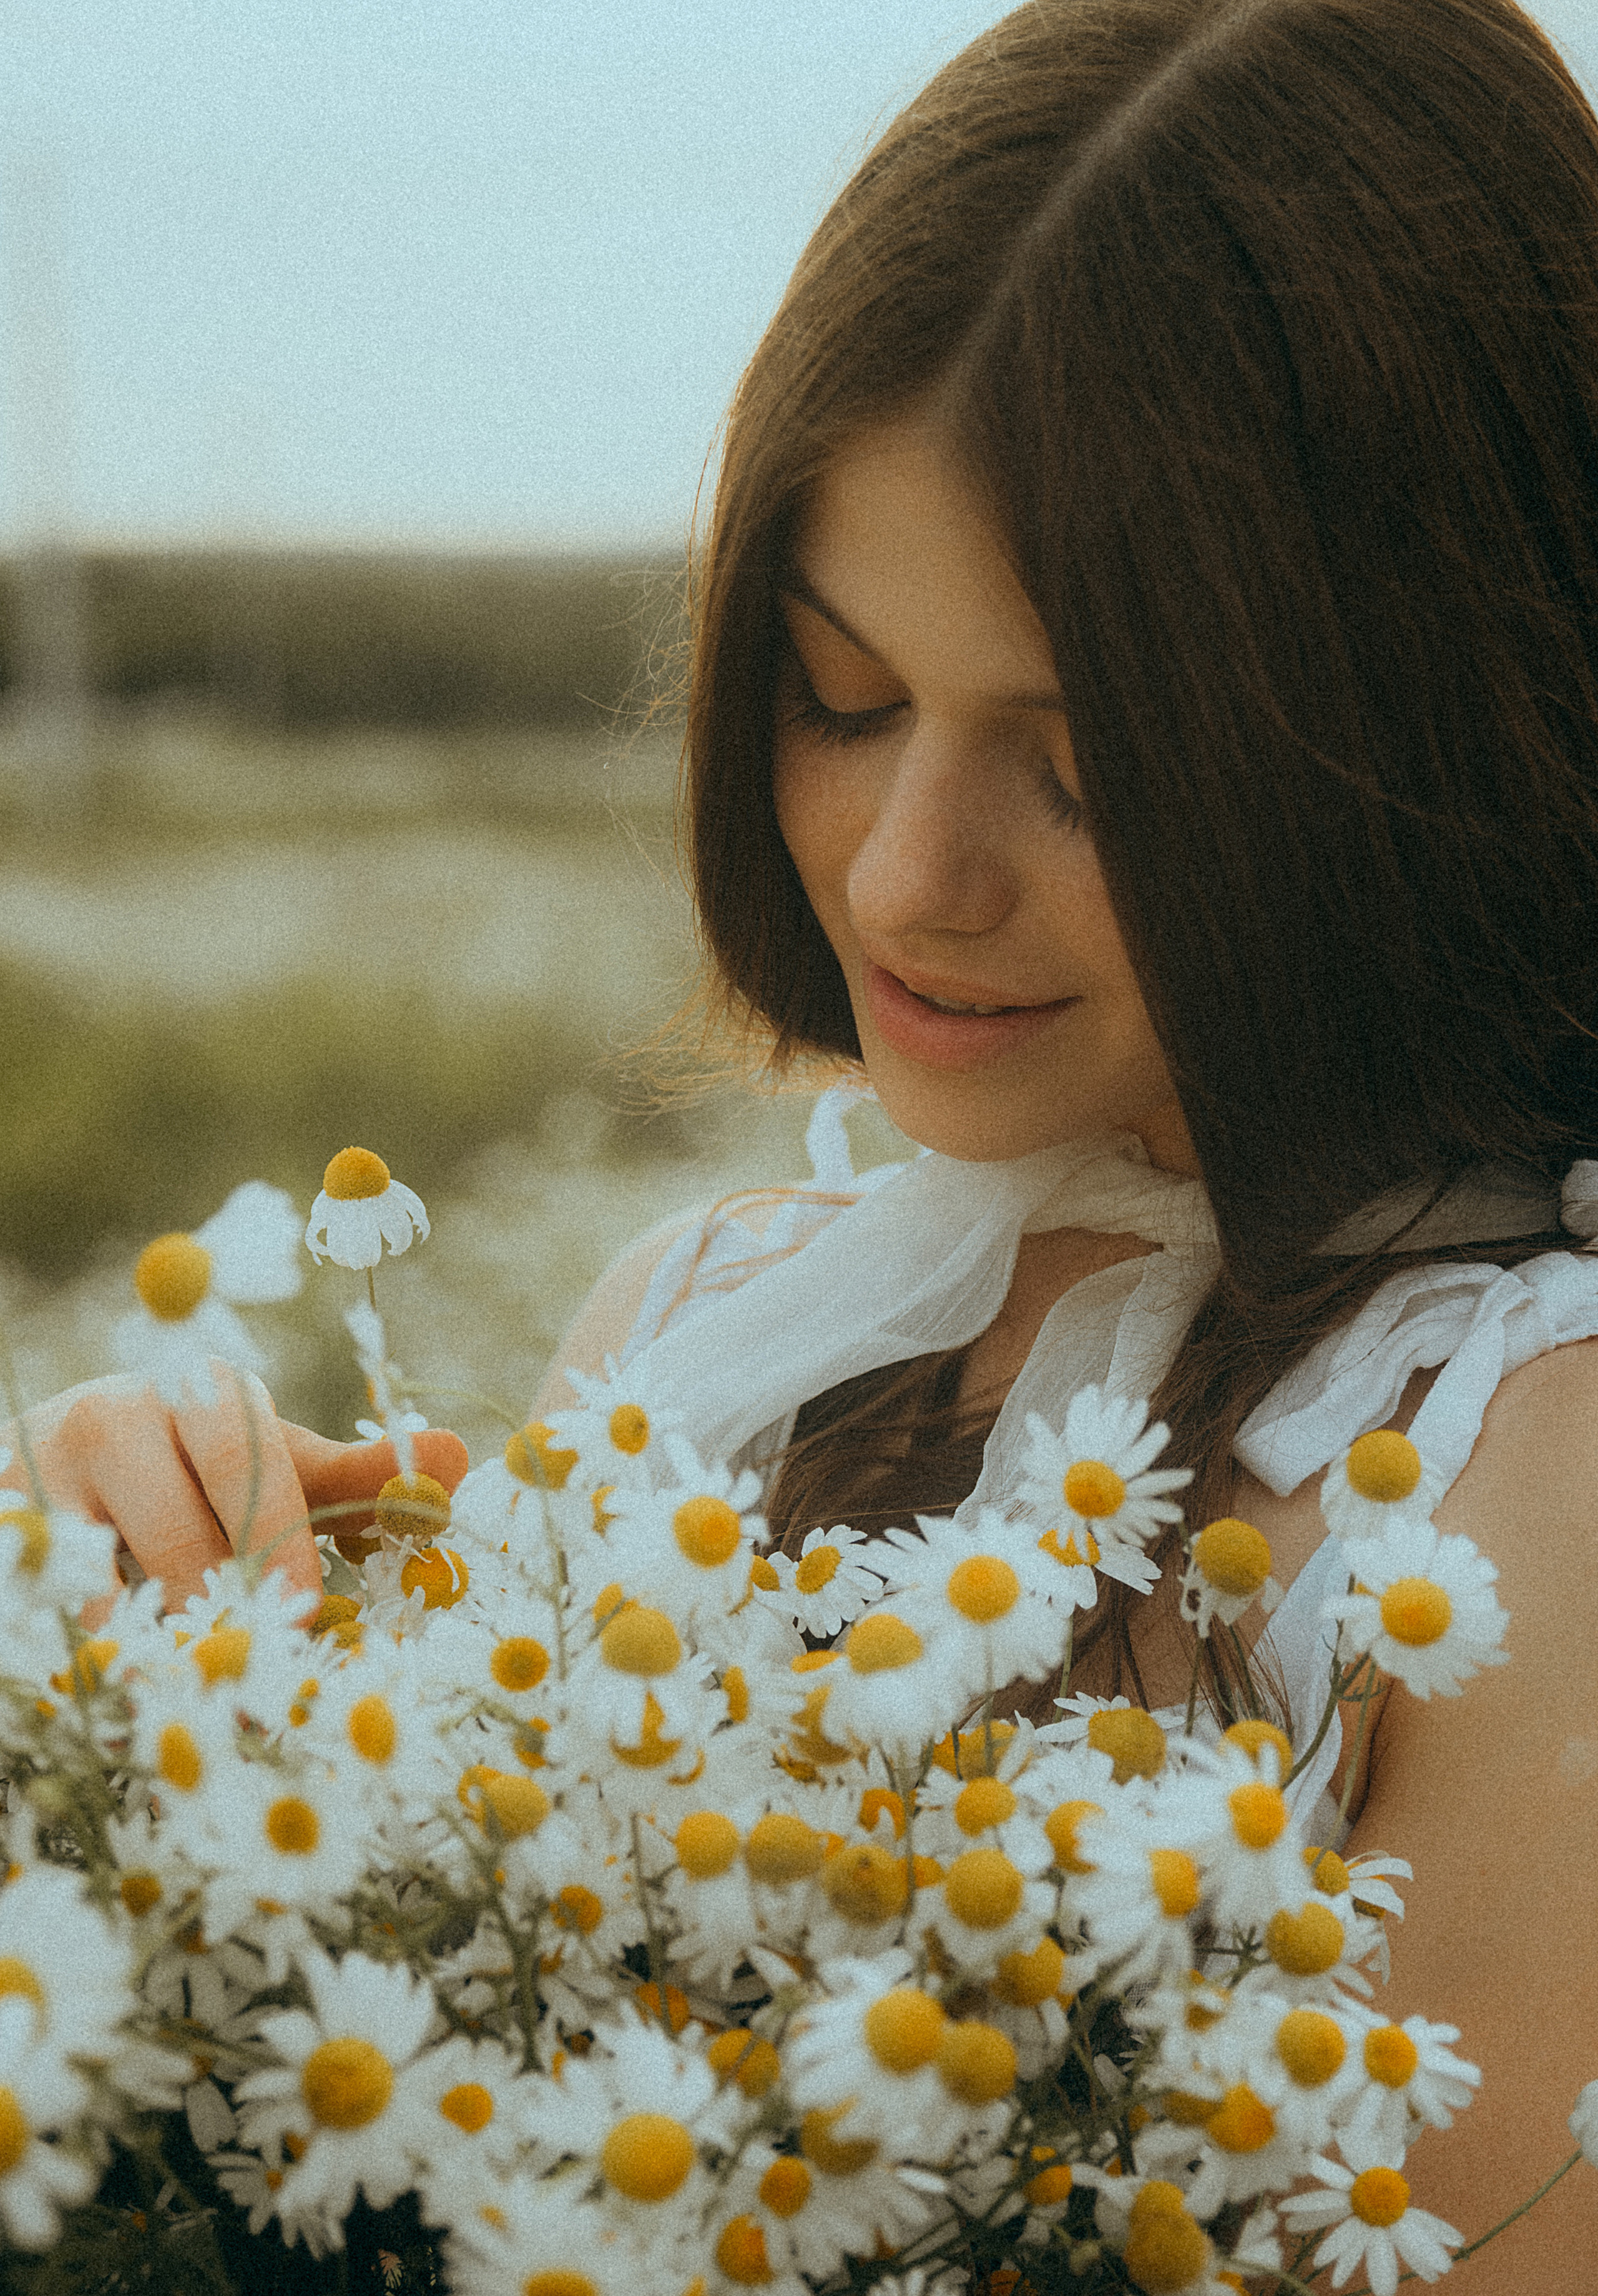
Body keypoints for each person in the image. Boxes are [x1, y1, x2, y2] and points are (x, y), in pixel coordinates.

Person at [6, 0, 1597, 2281]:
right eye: (840, 697)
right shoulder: (703, 1323)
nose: (902, 874)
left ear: (1428, 727)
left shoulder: (1520, 1483)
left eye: (1091, 763)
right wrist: (159, 1661)